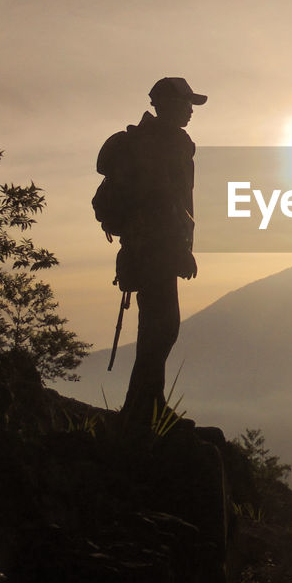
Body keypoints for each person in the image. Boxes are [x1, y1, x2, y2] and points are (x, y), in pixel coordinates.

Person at [115, 76, 205, 425]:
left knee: (156, 326)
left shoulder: (149, 140)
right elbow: (166, 201)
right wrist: (180, 249)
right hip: (157, 246)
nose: (191, 111)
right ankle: (144, 410)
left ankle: (145, 404)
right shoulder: (167, 144)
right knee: (162, 327)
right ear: (167, 104)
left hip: (143, 245)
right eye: (187, 104)